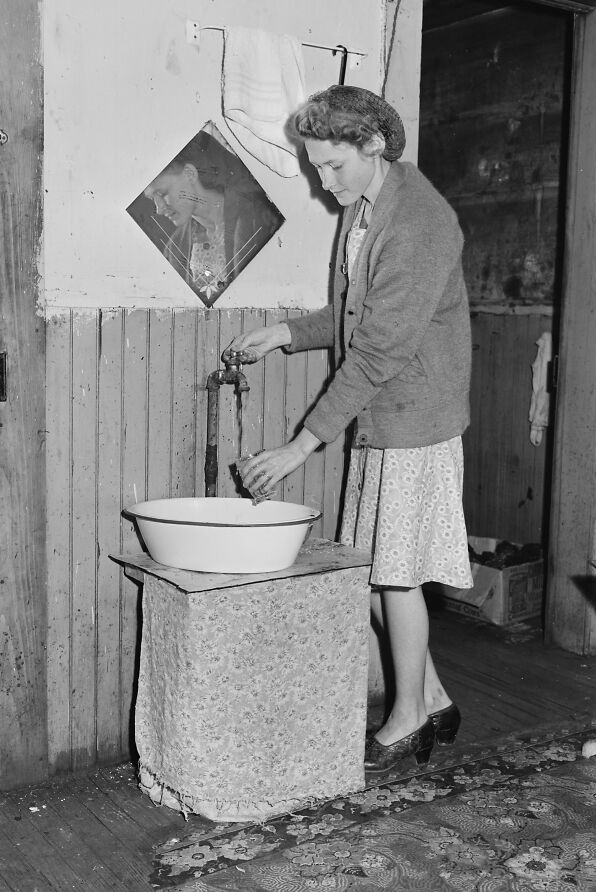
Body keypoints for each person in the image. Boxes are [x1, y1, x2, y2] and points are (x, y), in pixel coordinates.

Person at [224, 85, 473, 774]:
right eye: (313, 166)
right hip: (381, 414)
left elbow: (380, 348)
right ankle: (433, 696)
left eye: (333, 166)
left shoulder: (419, 222)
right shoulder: (365, 207)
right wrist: (288, 333)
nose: (322, 181)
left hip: (416, 418)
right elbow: (351, 315)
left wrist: (303, 442)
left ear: (374, 146)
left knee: (394, 577)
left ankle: (408, 715)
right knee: (370, 574)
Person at [142, 129, 282, 305]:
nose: (160, 209)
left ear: (190, 174)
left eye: (161, 194)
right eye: (153, 200)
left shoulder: (260, 218)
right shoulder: (174, 250)